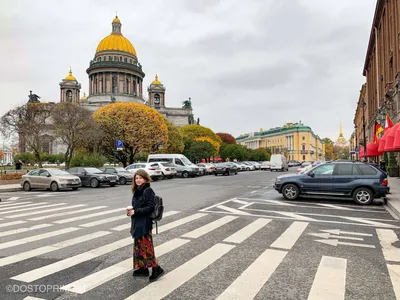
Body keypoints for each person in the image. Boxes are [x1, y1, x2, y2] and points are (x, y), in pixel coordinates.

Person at [127, 169, 164, 281]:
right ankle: (143, 268)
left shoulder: (147, 190)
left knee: (146, 247)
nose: (138, 180)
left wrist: (136, 212)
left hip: (144, 224)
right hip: (137, 223)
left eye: (140, 178)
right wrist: (131, 211)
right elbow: (138, 206)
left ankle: (156, 268)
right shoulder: (137, 191)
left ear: (146, 179)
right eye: (136, 178)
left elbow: (150, 207)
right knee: (138, 248)